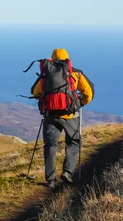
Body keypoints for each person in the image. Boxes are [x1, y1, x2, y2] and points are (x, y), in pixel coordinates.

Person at [31, 48, 94, 188]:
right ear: (67, 59)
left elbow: (35, 92)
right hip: (70, 115)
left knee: (50, 146)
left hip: (50, 116)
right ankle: (67, 172)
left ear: (52, 59)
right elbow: (88, 93)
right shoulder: (75, 73)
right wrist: (79, 104)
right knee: (73, 143)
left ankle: (51, 179)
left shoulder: (45, 73)